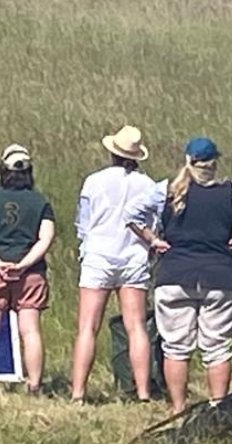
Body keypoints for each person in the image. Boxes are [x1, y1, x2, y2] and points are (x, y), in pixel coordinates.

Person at [127, 137, 232, 413]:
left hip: (175, 275)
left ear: (187, 160)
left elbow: (131, 214)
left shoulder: (167, 190)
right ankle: (218, 407)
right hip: (220, 276)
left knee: (176, 348)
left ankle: (178, 407)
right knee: (217, 348)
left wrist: (153, 240)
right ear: (215, 163)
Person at [69, 124, 157, 403]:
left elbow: (83, 222)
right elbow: (154, 224)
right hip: (133, 256)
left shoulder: (94, 181)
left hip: (99, 255)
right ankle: (143, 392)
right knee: (136, 327)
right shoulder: (149, 185)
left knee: (87, 327)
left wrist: (85, 246)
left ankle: (78, 392)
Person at [0, 144, 56, 395]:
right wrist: (24, 264)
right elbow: (45, 238)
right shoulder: (40, 202)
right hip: (30, 274)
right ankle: (35, 385)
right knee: (30, 331)